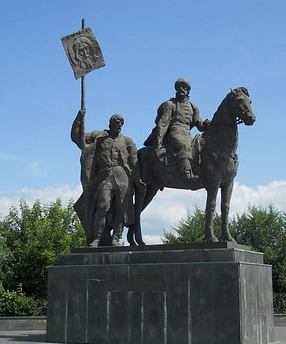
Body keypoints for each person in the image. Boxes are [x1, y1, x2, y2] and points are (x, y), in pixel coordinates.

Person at [71, 109, 141, 247]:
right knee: (103, 206)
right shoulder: (99, 137)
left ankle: (116, 237)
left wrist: (138, 180)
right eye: (116, 123)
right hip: (105, 176)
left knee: (121, 208)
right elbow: (77, 137)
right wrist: (79, 118)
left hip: (122, 178)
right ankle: (96, 239)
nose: (118, 125)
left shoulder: (128, 141)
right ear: (110, 124)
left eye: (120, 123)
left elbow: (134, 163)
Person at [144, 78, 209, 181]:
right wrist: (159, 139)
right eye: (179, 87)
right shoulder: (170, 104)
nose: (181, 89)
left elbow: (199, 125)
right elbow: (163, 123)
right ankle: (187, 172)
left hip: (187, 134)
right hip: (175, 132)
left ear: (188, 91)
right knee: (183, 145)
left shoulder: (193, 107)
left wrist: (206, 124)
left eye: (184, 87)